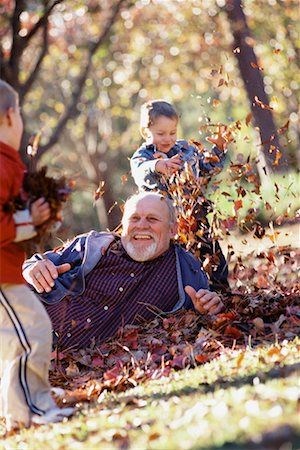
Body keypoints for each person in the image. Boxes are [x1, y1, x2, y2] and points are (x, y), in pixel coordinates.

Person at [23, 192, 224, 351]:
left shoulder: (185, 270)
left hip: (68, 361)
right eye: (134, 218)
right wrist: (32, 267)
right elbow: (34, 265)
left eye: (152, 219)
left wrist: (205, 309)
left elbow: (205, 312)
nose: (142, 225)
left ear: (173, 229)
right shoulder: (92, 246)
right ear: (123, 225)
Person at [0, 79, 73, 434]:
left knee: (16, 340)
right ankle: (34, 408)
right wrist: (29, 219)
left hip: (8, 271)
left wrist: (40, 217)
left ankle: (19, 410)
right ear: (11, 115)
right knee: (34, 331)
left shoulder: (9, 165)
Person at [130, 99, 230, 290]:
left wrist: (219, 150)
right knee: (176, 262)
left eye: (172, 132)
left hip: (194, 215)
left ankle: (222, 291)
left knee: (212, 253)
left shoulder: (186, 150)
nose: (167, 138)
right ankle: (180, 297)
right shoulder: (143, 156)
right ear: (146, 132)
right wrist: (157, 166)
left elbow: (209, 167)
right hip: (165, 222)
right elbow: (140, 171)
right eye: (160, 133)